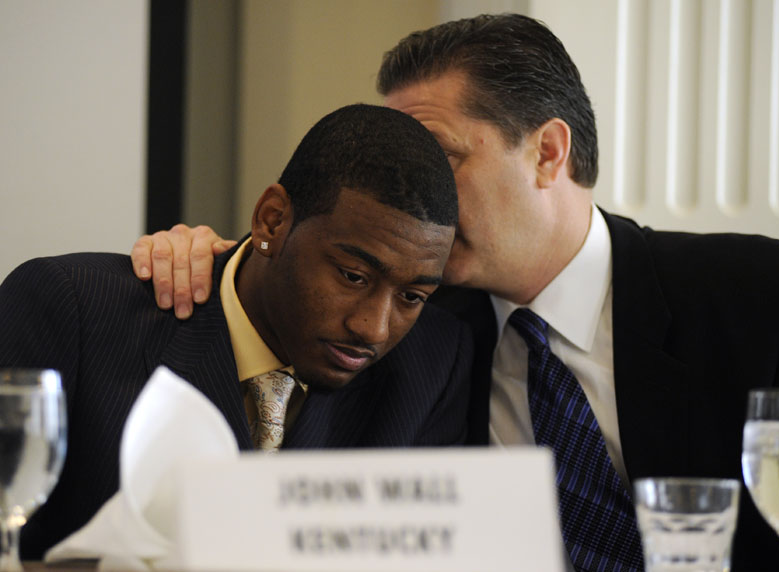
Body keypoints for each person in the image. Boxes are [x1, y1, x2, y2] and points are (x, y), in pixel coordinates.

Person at [131, 14, 779, 572]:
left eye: (439, 159)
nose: (409, 201)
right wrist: (210, 255)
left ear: (547, 152)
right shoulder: (406, 324)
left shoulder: (769, 300)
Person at [0, 104, 474, 560]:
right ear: (272, 219)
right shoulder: (71, 309)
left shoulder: (432, 363)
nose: (373, 327)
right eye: (352, 276)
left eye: (412, 297)